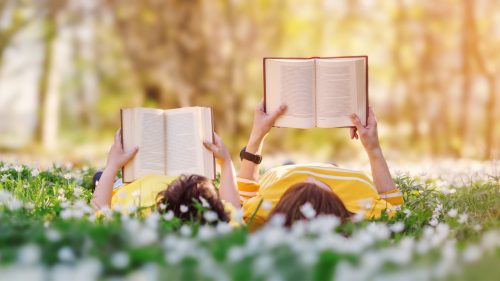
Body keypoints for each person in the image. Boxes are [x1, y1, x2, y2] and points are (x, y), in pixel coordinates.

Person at [237, 101, 403, 229]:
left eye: (299, 188)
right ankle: (331, 166)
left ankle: (292, 165)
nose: (310, 177)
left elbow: (244, 195)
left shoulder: (261, 213)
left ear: (285, 204)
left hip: (283, 173)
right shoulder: (367, 213)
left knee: (288, 164)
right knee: (331, 165)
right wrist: (373, 148)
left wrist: (257, 135)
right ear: (336, 206)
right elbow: (395, 208)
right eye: (319, 187)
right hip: (342, 175)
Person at [91, 130, 241, 225]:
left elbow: (98, 207)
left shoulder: (136, 220)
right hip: (158, 186)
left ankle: (102, 177)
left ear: (161, 206)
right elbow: (233, 207)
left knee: (102, 178)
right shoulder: (223, 223)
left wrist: (112, 166)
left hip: (132, 184)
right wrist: (226, 162)